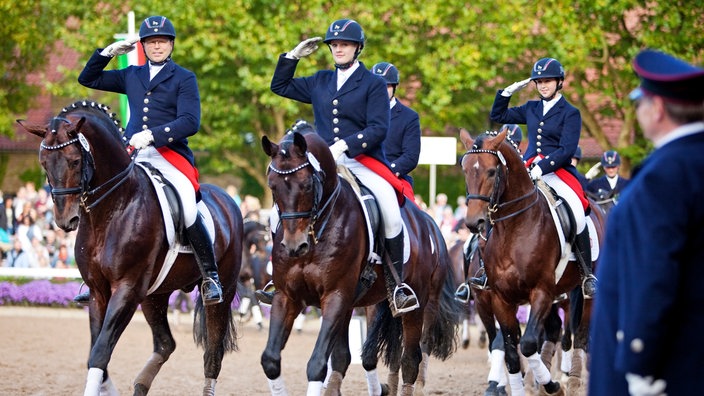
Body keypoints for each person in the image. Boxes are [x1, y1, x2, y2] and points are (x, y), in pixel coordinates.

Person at [262, 19, 418, 316]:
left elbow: (378, 128)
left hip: (362, 161)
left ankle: (397, 286)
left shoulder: (372, 84)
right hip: (324, 163)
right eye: (334, 45)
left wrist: (344, 145)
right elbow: (279, 86)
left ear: (357, 48)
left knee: (389, 211)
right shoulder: (320, 80)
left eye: (344, 44)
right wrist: (292, 57)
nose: (339, 49)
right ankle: (277, 278)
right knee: (275, 214)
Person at [75, 15, 223, 305]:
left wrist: (154, 135)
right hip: (131, 152)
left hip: (169, 153)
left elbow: (190, 121)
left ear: (171, 45)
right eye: (152, 42)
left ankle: (210, 276)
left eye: (162, 41)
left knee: (186, 204)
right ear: (143, 45)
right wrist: (106, 53)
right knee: (98, 197)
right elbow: (87, 78)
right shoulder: (132, 74)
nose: (157, 46)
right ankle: (91, 275)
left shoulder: (184, 78)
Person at [589, 49, 704, 396]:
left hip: (664, 367)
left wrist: (640, 363)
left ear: (657, 108)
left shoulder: (665, 174)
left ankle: (579, 269)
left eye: (639, 102)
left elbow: (651, 273)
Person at [477, 57, 596, 298]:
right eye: (539, 82)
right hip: (528, 167)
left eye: (547, 81)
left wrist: (544, 165)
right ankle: (486, 268)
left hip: (558, 169)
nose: (543, 86)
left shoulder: (571, 113)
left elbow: (567, 148)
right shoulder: (531, 108)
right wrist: (507, 92)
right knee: (497, 203)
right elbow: (498, 114)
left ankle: (586, 274)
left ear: (559, 82)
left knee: (576, 210)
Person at [370, 61, 421, 187]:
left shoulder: (409, 117)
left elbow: (410, 156)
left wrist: (386, 171)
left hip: (391, 176)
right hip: (360, 173)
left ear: (394, 87)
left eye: (385, 86)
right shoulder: (359, 112)